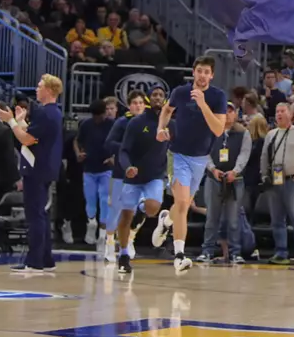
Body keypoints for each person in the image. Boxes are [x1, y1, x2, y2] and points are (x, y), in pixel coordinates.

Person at [154, 56, 226, 273]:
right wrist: (160, 128)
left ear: (212, 75)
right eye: (199, 71)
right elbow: (167, 110)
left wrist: (203, 104)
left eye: (207, 72)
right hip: (177, 155)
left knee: (181, 206)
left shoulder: (218, 96)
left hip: (200, 159)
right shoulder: (180, 92)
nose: (203, 75)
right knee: (184, 204)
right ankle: (179, 256)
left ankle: (166, 221)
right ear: (193, 72)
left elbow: (218, 129)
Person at [1, 74, 64, 274]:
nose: (36, 89)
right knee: (42, 215)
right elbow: (35, 135)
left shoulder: (45, 113)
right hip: (46, 167)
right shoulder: (53, 113)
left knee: (35, 215)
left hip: (37, 169)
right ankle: (45, 259)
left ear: (49, 90)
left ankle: (34, 261)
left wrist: (11, 121)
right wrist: (20, 122)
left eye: (40, 86)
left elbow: (27, 140)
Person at [106, 91, 166, 275]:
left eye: (161, 94)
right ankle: (123, 255)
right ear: (149, 99)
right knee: (124, 216)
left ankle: (141, 211)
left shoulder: (170, 123)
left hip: (155, 175)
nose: (157, 97)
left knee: (153, 207)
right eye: (154, 94)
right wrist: (127, 167)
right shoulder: (135, 123)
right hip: (133, 176)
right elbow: (123, 150)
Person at [199, 102, 252, 263]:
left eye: (231, 111)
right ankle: (207, 250)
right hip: (213, 179)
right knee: (211, 217)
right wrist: (213, 169)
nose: (228, 114)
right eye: (224, 111)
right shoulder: (210, 131)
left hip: (235, 180)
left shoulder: (243, 133)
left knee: (233, 219)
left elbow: (244, 155)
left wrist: (235, 171)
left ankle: (235, 252)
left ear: (236, 114)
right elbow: (204, 153)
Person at [263, 100, 294, 264]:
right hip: (275, 182)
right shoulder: (271, 134)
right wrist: (264, 175)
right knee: (277, 220)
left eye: (283, 111)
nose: (279, 114)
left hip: (293, 181)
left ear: (290, 114)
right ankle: (281, 252)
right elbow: (264, 157)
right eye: (277, 111)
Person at [75, 99, 114, 247]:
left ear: (105, 113)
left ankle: (103, 233)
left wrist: (113, 157)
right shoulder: (86, 124)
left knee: (105, 200)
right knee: (90, 199)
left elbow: (120, 142)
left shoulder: (112, 124)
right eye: (96, 116)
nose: (99, 119)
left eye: (101, 115)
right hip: (89, 168)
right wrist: (79, 153)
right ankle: (91, 223)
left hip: (105, 169)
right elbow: (76, 140)